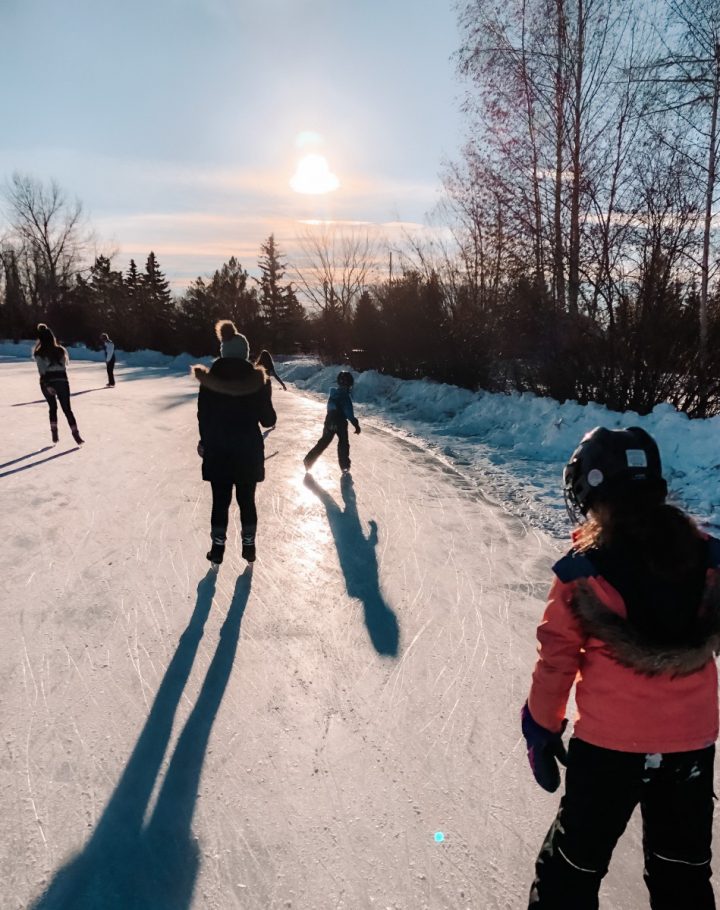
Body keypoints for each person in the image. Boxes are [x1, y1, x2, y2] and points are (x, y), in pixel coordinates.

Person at [521, 426, 720, 910]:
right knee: (683, 872)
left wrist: (541, 729)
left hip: (609, 750)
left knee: (572, 868)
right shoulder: (710, 558)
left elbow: (557, 660)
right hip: (690, 747)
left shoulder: (583, 571)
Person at [192, 320, 276, 565]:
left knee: (220, 500)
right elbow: (268, 419)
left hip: (218, 449)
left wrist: (205, 442)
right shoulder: (256, 379)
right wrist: (265, 395)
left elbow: (203, 416)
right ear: (245, 354)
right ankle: (249, 547)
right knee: (246, 500)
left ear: (223, 351)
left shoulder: (209, 380)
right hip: (247, 450)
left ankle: (217, 550)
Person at [33, 323, 84, 445]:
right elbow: (65, 365)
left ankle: (54, 433)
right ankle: (76, 434)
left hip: (48, 382)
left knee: (53, 408)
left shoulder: (39, 353)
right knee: (67, 409)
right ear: (52, 337)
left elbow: (42, 371)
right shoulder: (61, 350)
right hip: (62, 381)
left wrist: (47, 385)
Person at [303, 370, 361, 474]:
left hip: (329, 420)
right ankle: (344, 466)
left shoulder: (333, 394)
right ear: (349, 385)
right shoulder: (345, 397)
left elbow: (330, 408)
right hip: (340, 423)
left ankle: (308, 459)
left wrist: (331, 419)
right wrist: (356, 425)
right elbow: (349, 413)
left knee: (323, 442)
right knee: (343, 443)